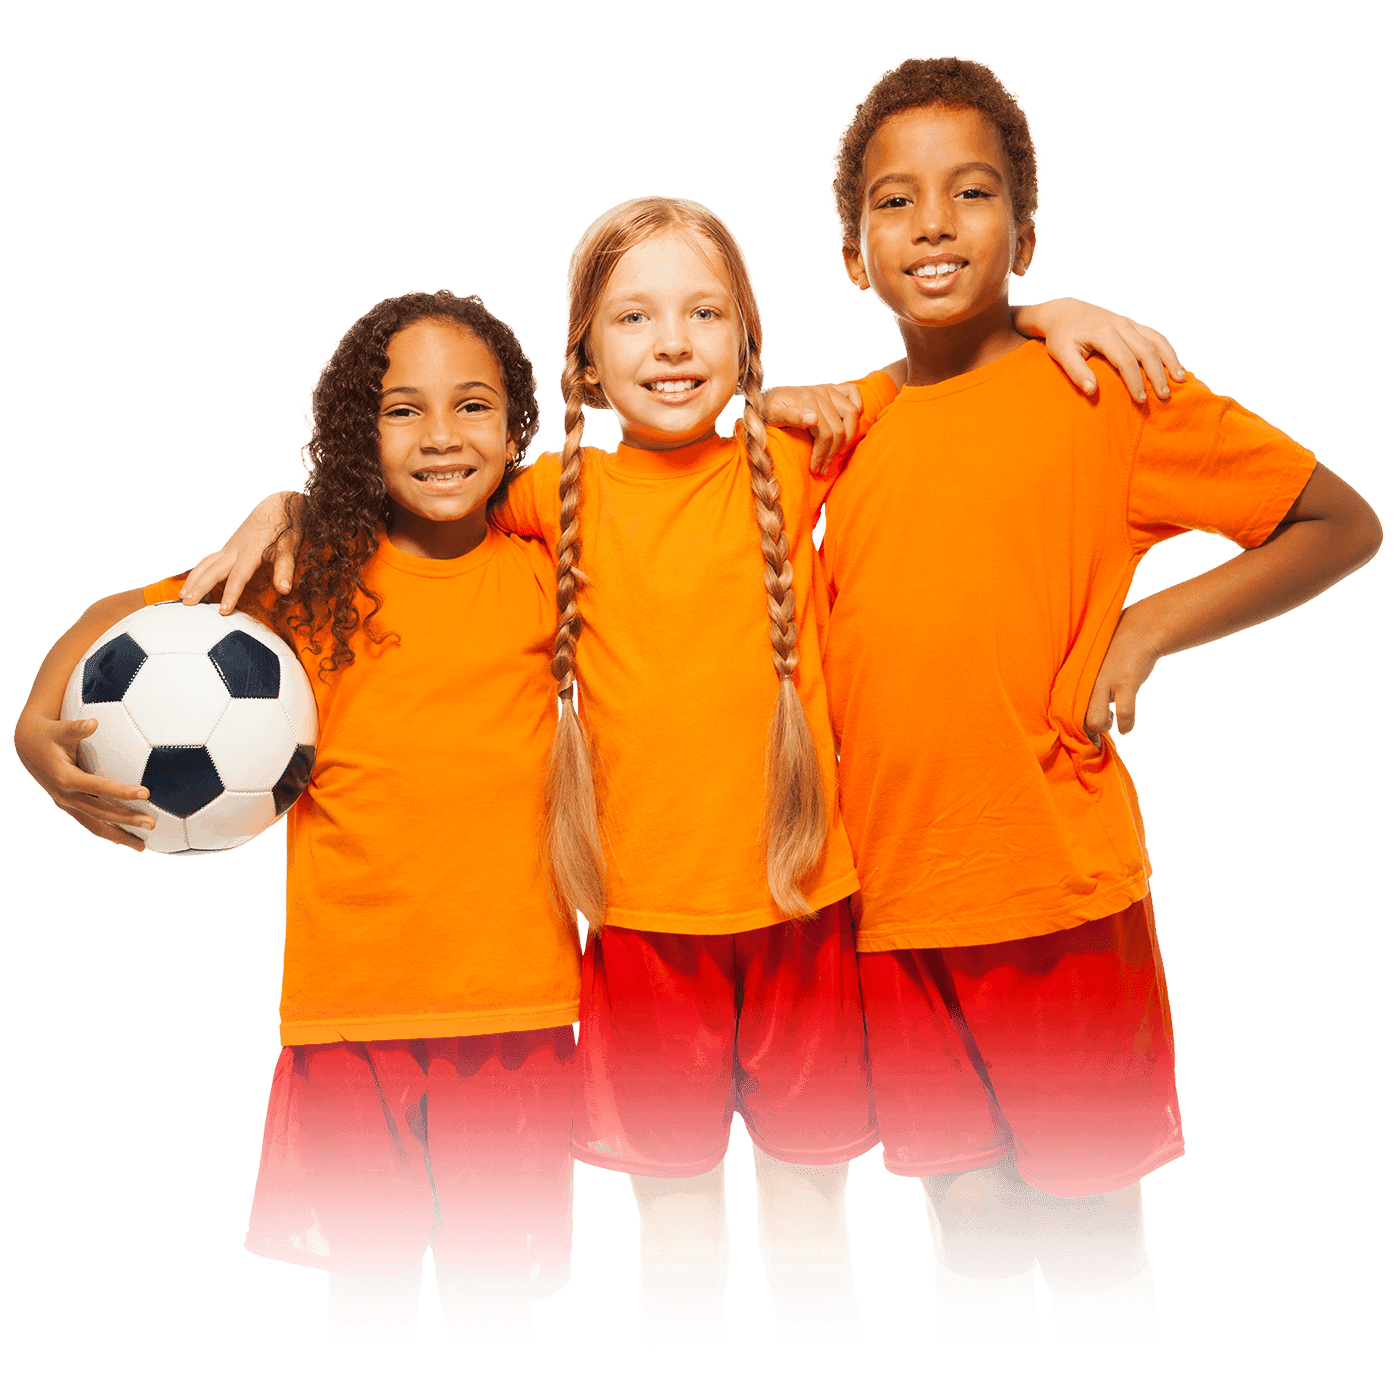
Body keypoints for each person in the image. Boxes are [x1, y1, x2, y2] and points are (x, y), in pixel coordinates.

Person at [193, 195, 1183, 1343]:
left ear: (746, 341)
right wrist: (290, 501)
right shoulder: (553, 497)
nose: (671, 342)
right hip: (639, 936)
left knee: (813, 1247)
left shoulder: (807, 444)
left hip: (802, 912)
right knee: (677, 1259)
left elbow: (948, 371)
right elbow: (418, 489)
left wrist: (1041, 310)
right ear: (585, 359)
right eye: (634, 317)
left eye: (702, 312)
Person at [821, 55, 1384, 1344]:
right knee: (964, 1214)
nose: (931, 226)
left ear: (1021, 227)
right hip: (891, 906)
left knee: (1088, 1219)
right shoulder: (832, 433)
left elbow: (1333, 519)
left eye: (969, 194)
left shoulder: (1099, 389)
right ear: (852, 251)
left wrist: (1149, 621)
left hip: (1057, 887)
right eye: (894, 202)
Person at [13, 290, 583, 1346]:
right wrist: (33, 725)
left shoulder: (548, 574)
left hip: (516, 1015)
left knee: (491, 1302)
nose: (443, 435)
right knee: (363, 1295)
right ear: (355, 433)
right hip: (347, 1017)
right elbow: (117, 620)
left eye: (472, 405)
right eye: (402, 409)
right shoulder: (305, 579)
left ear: (518, 428)